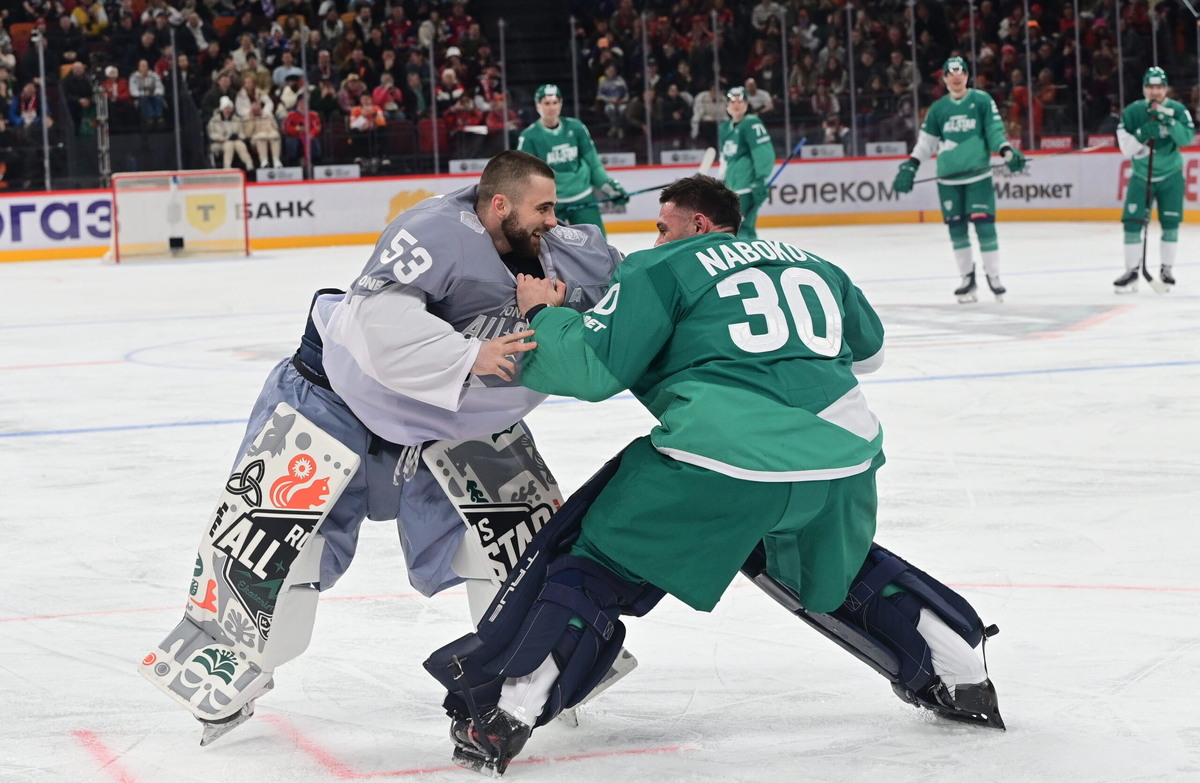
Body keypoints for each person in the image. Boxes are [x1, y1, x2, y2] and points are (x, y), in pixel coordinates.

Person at [424, 175, 1005, 776]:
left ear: (697, 224)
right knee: (832, 561)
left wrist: (543, 312)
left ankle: (508, 712)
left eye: (662, 223)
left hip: (723, 458)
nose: (655, 235)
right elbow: (870, 352)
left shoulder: (660, 267)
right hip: (845, 458)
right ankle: (960, 671)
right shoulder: (815, 262)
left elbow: (593, 373)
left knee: (592, 560)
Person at [140, 150, 624, 745]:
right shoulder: (431, 232)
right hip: (336, 402)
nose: (554, 220)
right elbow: (376, 325)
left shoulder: (576, 252)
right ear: (500, 204)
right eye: (542, 207)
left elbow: (645, 307)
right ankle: (224, 669)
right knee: (273, 552)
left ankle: (550, 665)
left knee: (513, 547)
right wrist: (468, 356)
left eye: (556, 208)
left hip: (459, 423)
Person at [892, 57, 1026, 303]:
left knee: (985, 226)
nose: (956, 77)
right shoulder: (938, 109)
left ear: (966, 76)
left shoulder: (982, 100)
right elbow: (926, 143)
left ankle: (994, 277)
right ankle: (967, 278)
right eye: (951, 74)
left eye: (961, 72)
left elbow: (995, 132)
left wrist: (1006, 151)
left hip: (978, 176)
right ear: (944, 79)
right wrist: (911, 164)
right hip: (948, 180)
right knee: (957, 229)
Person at [1113, 66, 1194, 293]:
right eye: (1150, 87)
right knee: (1132, 223)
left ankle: (1166, 269)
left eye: (1159, 87)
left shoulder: (1177, 110)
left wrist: (1169, 122)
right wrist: (1142, 133)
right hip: (1141, 176)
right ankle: (1131, 271)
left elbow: (1186, 138)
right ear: (1144, 89)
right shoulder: (1132, 113)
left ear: (1166, 88)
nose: (1155, 92)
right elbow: (1126, 149)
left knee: (1170, 224)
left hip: (1171, 176)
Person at [516, 84, 629, 236]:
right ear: (538, 106)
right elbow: (524, 177)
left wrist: (610, 188)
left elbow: (594, 165)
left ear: (561, 104)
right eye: (547, 103)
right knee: (547, 248)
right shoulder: (529, 137)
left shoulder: (577, 128)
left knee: (597, 244)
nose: (551, 107)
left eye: (555, 102)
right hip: (551, 204)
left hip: (583, 198)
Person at [718, 86, 774, 240]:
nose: (736, 104)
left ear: (747, 104)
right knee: (732, 227)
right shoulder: (724, 128)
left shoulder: (751, 123)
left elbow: (764, 153)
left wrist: (760, 179)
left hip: (747, 184)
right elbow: (725, 157)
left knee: (742, 227)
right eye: (732, 101)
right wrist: (722, 180)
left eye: (740, 101)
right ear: (727, 105)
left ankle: (749, 260)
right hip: (731, 185)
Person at [207, 95, 255, 170]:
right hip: (219, 143)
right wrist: (221, 138)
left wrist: (239, 136)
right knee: (229, 144)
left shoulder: (236, 119)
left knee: (240, 144)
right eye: (226, 108)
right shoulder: (214, 120)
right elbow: (211, 134)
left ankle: (249, 164)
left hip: (234, 141)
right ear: (222, 109)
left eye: (229, 109)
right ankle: (227, 166)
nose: (228, 111)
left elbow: (241, 132)